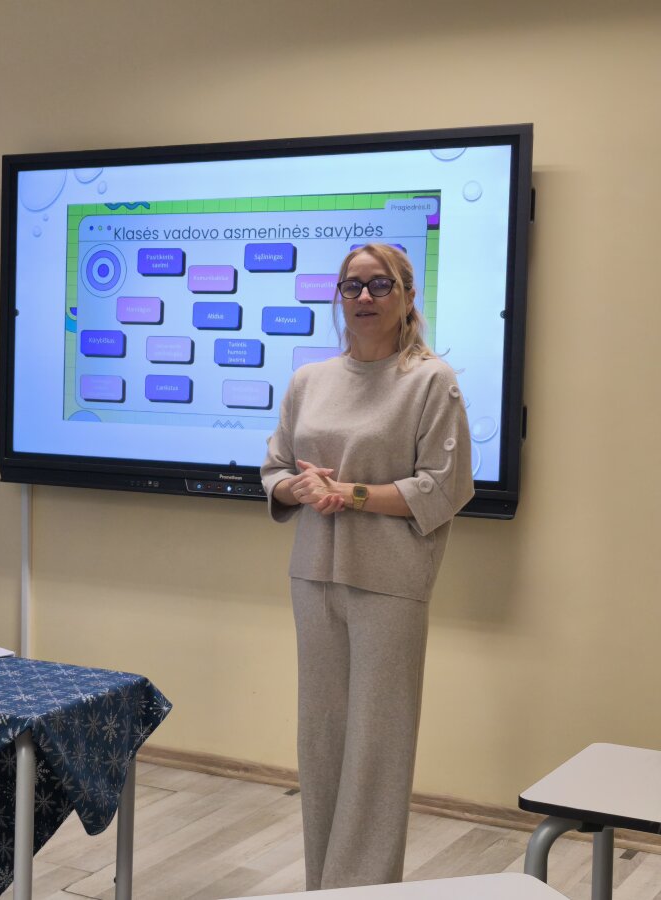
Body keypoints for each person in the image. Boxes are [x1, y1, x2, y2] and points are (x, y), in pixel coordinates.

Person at [259, 243, 474, 890]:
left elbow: (444, 486)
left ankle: (364, 889)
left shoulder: (430, 380)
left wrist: (350, 494)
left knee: (377, 748)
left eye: (380, 285)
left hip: (390, 581)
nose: (364, 297)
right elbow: (274, 469)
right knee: (321, 741)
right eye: (351, 286)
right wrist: (296, 488)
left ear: (407, 295)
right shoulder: (309, 380)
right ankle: (322, 886)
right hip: (313, 577)